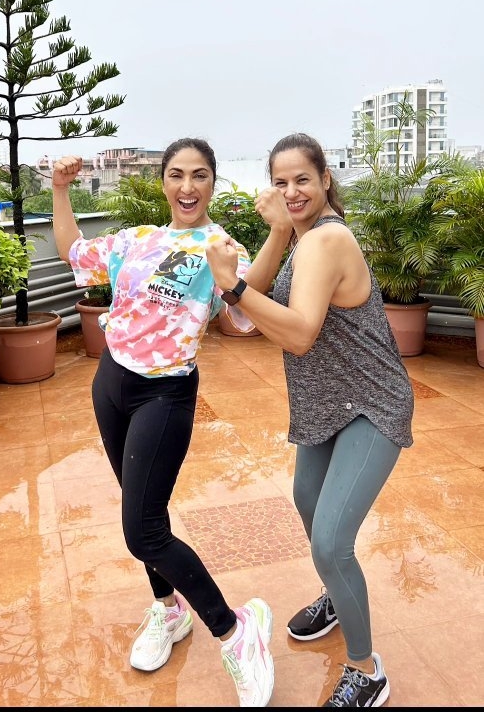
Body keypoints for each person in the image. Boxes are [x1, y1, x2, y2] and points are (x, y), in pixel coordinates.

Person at [51, 137, 292, 708]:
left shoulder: (220, 247)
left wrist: (279, 232)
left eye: (200, 175)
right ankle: (167, 610)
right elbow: (73, 250)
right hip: (111, 382)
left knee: (142, 531)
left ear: (212, 184)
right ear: (163, 182)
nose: (188, 186)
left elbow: (247, 299)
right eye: (178, 174)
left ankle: (235, 632)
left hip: (166, 393)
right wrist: (59, 189)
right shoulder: (137, 240)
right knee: (145, 512)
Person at [205, 132, 414, 709]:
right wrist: (271, 236)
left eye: (302, 179)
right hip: (327, 403)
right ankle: (336, 595)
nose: (291, 191)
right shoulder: (300, 239)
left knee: (329, 540)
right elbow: (253, 303)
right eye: (280, 181)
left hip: (372, 401)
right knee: (306, 501)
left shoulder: (328, 239)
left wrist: (232, 284)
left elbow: (297, 334)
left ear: (326, 180)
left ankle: (367, 670)